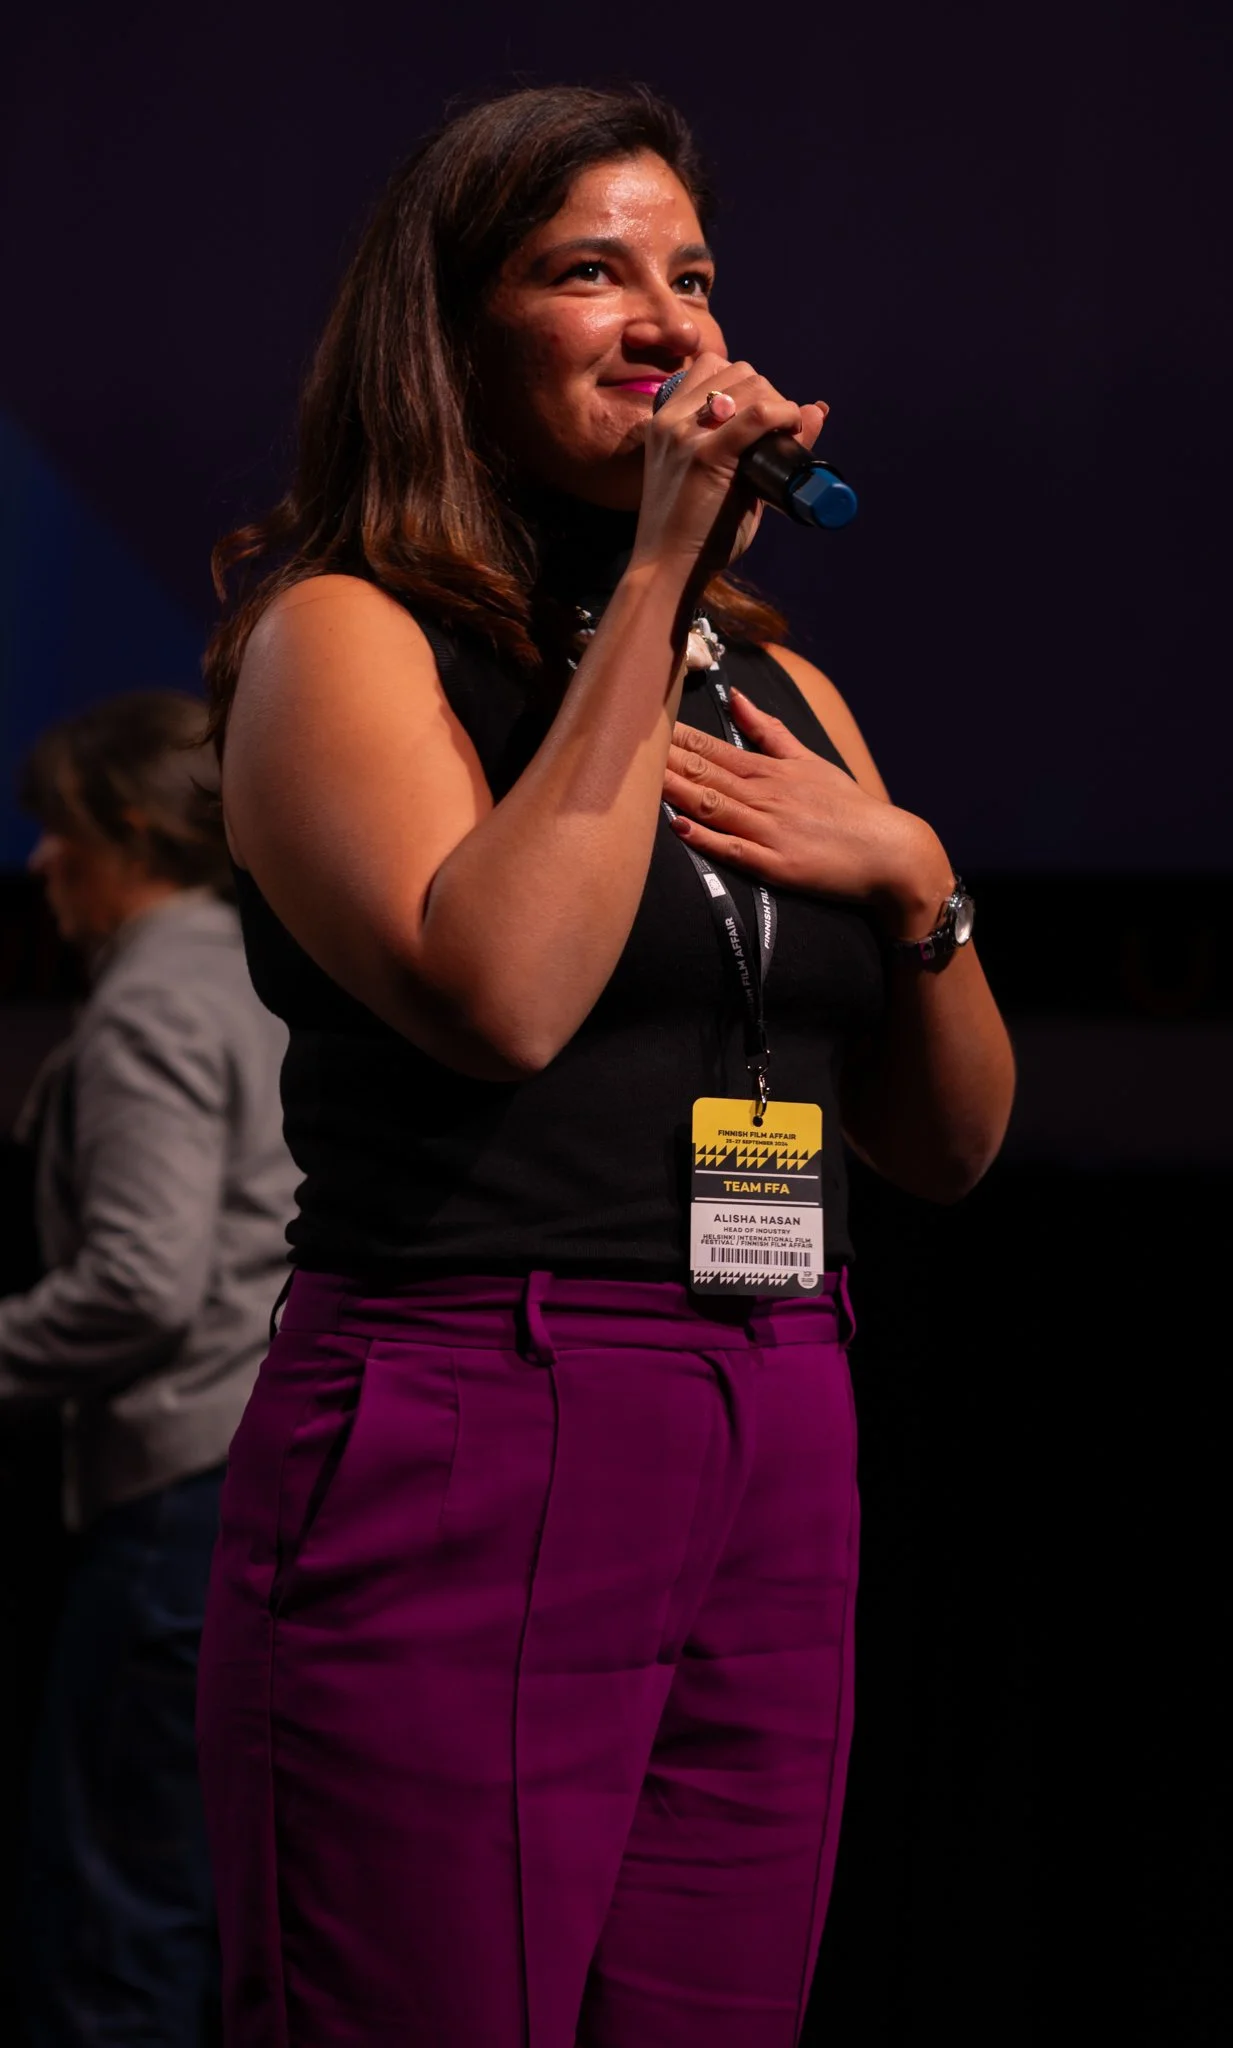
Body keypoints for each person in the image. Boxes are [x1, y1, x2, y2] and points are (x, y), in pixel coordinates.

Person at [196, 84, 1015, 2048]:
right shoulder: (350, 636)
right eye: (590, 271)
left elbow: (951, 1144)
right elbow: (505, 997)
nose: (666, 319)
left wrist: (918, 885)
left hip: (774, 1401)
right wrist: (656, 576)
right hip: (480, 1388)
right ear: (457, 330)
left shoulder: (781, 684)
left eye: (694, 276)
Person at [0, 690, 293, 2045]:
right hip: (259, 1486)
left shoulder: (149, 1008)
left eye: (59, 831)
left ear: (125, 832)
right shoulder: (266, 975)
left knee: (124, 1929)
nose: (43, 863)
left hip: (181, 1500)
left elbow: (141, 1281)